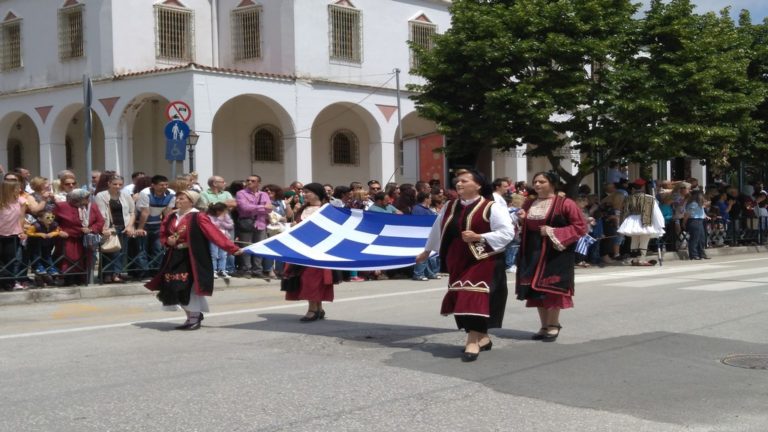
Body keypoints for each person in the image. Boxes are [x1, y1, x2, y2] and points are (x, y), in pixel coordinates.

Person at [415, 169, 515, 362]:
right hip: (458, 258)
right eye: (457, 181)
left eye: (464, 181)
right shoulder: (450, 206)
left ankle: (472, 341)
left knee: (472, 297)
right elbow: (438, 228)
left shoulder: (491, 207)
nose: (459, 184)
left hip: (484, 259)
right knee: (461, 298)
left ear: (478, 185)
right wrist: (427, 251)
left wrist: (480, 236)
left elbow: (507, 232)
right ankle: (483, 337)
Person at [145, 190, 243, 330]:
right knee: (173, 287)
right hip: (174, 256)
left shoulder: (198, 217)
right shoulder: (171, 216)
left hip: (192, 257)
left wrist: (232, 248)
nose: (178, 200)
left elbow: (214, 234)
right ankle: (191, 316)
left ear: (191, 201)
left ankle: (194, 317)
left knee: (187, 286)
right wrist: (168, 241)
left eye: (182, 198)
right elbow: (163, 233)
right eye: (177, 198)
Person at [515, 171, 587, 342]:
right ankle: (544, 325)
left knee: (552, 289)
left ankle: (553, 324)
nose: (537, 185)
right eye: (535, 181)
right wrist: (522, 220)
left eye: (542, 181)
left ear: (552, 184)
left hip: (555, 252)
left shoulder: (565, 204)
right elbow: (525, 226)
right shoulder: (529, 203)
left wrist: (552, 231)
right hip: (532, 250)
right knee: (536, 290)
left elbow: (580, 227)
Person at [283, 183, 338, 322]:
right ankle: (317, 308)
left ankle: (313, 309)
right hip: (301, 249)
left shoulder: (326, 209)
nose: (304, 194)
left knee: (313, 279)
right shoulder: (302, 209)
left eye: (308, 192)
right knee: (304, 279)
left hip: (318, 250)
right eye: (304, 192)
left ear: (317, 193)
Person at [54, 189, 105, 286]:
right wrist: (59, 231)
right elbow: (53, 221)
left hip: (85, 238)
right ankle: (68, 279)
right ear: (77, 198)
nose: (87, 200)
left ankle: (81, 278)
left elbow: (100, 221)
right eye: (85, 198)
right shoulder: (62, 206)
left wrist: (91, 229)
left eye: (88, 198)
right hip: (68, 238)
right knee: (69, 258)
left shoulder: (92, 206)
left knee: (85, 259)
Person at [95, 175, 136, 283]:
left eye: (120, 184)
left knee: (121, 252)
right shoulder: (101, 195)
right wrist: (105, 229)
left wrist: (130, 226)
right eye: (115, 184)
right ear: (109, 184)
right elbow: (101, 213)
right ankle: (106, 275)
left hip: (124, 227)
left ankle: (116, 274)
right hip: (109, 227)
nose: (118, 186)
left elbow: (132, 212)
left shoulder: (125, 195)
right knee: (110, 251)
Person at [617, 179, 665, 266]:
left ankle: (635, 259)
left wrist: (621, 223)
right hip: (644, 220)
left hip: (631, 220)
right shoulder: (649, 198)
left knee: (634, 239)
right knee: (644, 239)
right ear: (643, 187)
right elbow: (656, 212)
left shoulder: (628, 198)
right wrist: (660, 224)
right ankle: (642, 259)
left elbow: (623, 211)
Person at [235, 174, 272, 278]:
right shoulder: (240, 193)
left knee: (259, 247)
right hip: (246, 223)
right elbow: (244, 208)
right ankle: (247, 269)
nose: (249, 182)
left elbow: (269, 209)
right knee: (246, 247)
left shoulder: (264, 194)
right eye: (248, 180)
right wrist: (262, 207)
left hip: (261, 223)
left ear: (258, 183)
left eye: (252, 181)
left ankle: (257, 270)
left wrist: (256, 208)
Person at [0, 179, 28, 290]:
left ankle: (8, 281)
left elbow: (21, 218)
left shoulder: (21, 201)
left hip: (12, 234)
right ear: (9, 190)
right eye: (17, 188)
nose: (20, 190)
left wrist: (21, 231)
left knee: (10, 258)